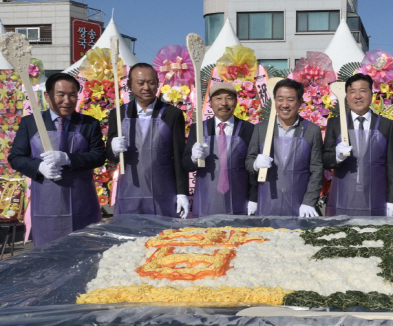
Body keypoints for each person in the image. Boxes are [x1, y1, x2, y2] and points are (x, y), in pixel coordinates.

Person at [8, 73, 105, 246]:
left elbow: (98, 156)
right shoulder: (31, 123)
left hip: (82, 202)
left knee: (83, 251)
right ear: (47, 96)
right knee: (48, 254)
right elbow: (16, 157)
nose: (67, 100)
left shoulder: (89, 124)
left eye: (72, 95)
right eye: (61, 94)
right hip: (46, 205)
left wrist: (68, 159)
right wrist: (39, 167)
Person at [106, 63, 189, 218]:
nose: (146, 87)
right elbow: (110, 156)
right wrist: (113, 148)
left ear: (158, 83)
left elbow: (179, 156)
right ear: (130, 85)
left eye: (151, 82)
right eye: (140, 83)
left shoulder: (172, 114)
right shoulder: (118, 114)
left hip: (163, 189)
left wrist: (182, 192)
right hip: (130, 190)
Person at [323, 73, 393, 216]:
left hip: (376, 199)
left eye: (363, 91)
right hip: (342, 198)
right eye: (352, 92)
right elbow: (325, 160)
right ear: (346, 96)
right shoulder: (335, 124)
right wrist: (337, 156)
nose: (358, 96)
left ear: (371, 94)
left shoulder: (385, 125)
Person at [245, 78, 323, 217]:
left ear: (299, 102)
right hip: (267, 203)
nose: (285, 105)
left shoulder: (312, 130)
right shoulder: (261, 129)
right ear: (274, 101)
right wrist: (255, 164)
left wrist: (309, 202)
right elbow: (249, 161)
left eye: (291, 99)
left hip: (299, 205)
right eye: (280, 99)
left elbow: (317, 170)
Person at [183, 83, 257, 217]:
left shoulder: (249, 129)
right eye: (218, 98)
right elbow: (185, 164)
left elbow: (252, 167)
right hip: (206, 199)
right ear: (210, 103)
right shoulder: (198, 128)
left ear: (236, 102)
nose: (224, 103)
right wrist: (193, 158)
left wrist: (254, 198)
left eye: (229, 98)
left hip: (239, 198)